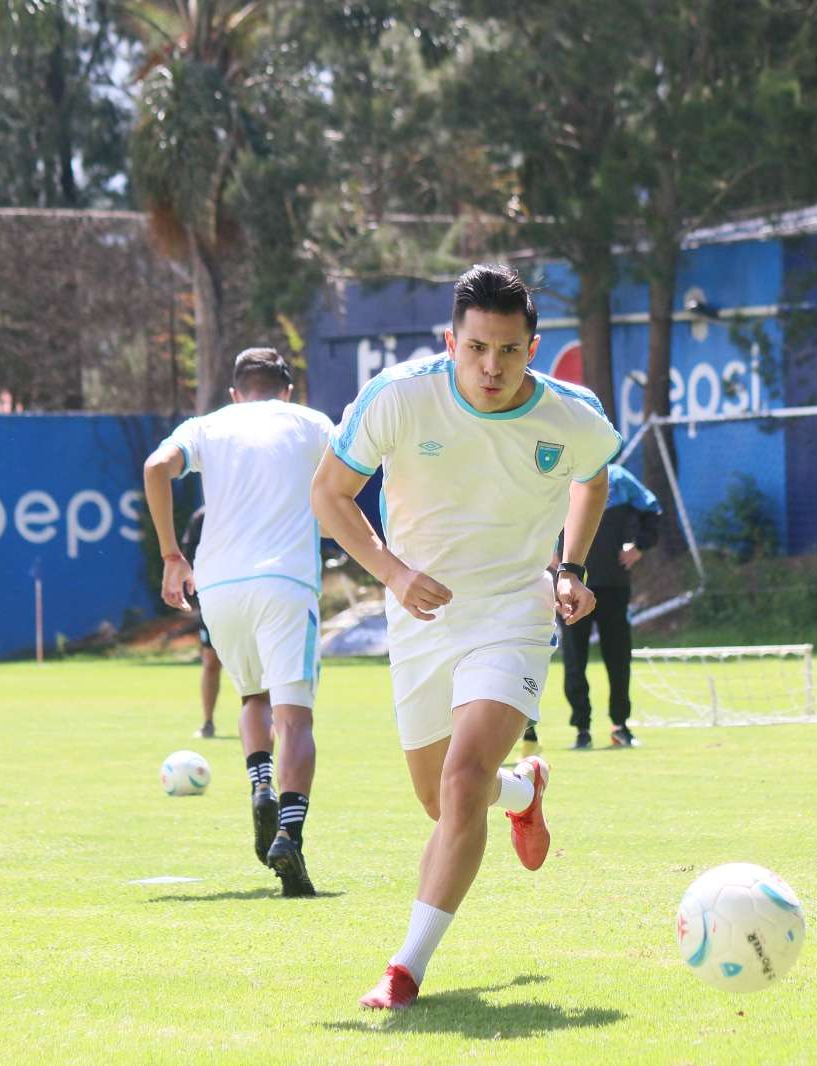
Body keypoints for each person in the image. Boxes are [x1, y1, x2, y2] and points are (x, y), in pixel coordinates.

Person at [312, 263, 621, 1009]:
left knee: (459, 782)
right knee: (439, 799)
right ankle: (524, 788)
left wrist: (570, 567)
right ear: (451, 340)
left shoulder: (570, 416)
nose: (492, 367)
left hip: (515, 611)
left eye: (510, 351)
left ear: (533, 348)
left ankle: (405, 968)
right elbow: (329, 494)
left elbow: (594, 477)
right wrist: (390, 571)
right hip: (418, 616)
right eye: (477, 347)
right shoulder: (398, 399)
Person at [143, 348, 334, 897]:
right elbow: (356, 472)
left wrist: (171, 555)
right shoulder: (311, 423)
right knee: (295, 718)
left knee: (253, 697)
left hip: (218, 585)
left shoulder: (207, 426)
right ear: (288, 390)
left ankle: (260, 785)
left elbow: (156, 467)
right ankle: (290, 836)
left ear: (234, 393)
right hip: (286, 582)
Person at [523, 461, 662, 754]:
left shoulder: (620, 479)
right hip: (570, 587)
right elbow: (532, 517)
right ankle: (582, 728)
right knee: (575, 658)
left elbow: (654, 511)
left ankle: (620, 726)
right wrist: (549, 555)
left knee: (618, 656)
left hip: (613, 584)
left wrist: (639, 546)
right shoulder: (555, 478)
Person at [179, 505, 223, 740]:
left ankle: (269, 721)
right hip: (213, 598)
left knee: (259, 663)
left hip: (252, 595)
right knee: (211, 661)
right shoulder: (202, 517)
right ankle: (208, 722)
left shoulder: (252, 507)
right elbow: (189, 558)